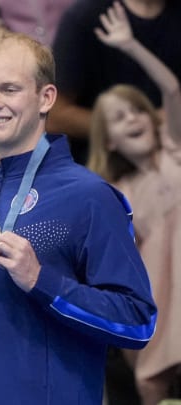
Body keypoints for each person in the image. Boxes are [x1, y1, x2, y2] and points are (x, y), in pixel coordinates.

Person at [0, 29, 157, 404]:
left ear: (46, 98)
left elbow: (138, 320)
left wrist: (41, 279)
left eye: (9, 89)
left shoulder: (89, 196)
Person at [88, 3, 181, 404]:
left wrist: (130, 46)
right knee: (151, 381)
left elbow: (173, 89)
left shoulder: (173, 154)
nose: (131, 119)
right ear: (108, 141)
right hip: (161, 295)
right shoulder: (115, 190)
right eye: (118, 118)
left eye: (136, 111)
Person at [48, 0, 181, 164]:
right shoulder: (84, 17)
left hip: (171, 152)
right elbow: (54, 116)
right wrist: (140, 123)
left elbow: (173, 89)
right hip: (106, 166)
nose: (133, 118)